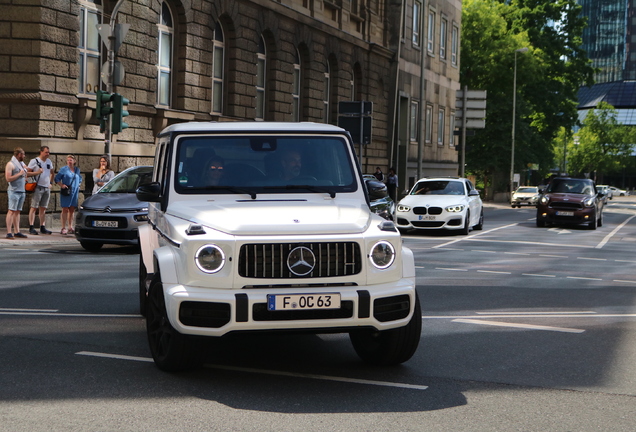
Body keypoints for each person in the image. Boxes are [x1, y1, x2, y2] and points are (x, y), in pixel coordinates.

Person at [5, 148, 42, 239]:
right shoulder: (10, 164)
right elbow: (8, 178)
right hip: (14, 191)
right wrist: (19, 174)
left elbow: (26, 173)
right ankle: (9, 232)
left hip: (22, 191)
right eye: (23, 154)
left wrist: (37, 172)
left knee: (17, 212)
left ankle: (17, 231)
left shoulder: (21, 164)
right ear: (19, 154)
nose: (24, 156)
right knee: (11, 211)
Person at [27, 145, 55, 235]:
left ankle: (42, 226)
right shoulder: (34, 161)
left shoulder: (49, 161)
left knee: (43, 208)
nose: (48, 154)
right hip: (38, 186)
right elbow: (27, 172)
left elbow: (52, 172)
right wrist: (37, 172)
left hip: (46, 187)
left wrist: (50, 183)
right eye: (46, 152)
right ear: (41, 152)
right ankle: (31, 226)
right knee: (34, 207)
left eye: (48, 152)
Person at [54, 154, 82, 235]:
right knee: (65, 209)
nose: (69, 161)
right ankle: (63, 227)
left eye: (71, 160)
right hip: (66, 191)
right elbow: (57, 178)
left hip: (74, 192)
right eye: (68, 160)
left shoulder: (77, 170)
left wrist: (79, 185)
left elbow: (79, 178)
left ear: (74, 161)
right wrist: (61, 185)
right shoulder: (64, 169)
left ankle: (70, 226)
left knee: (72, 209)